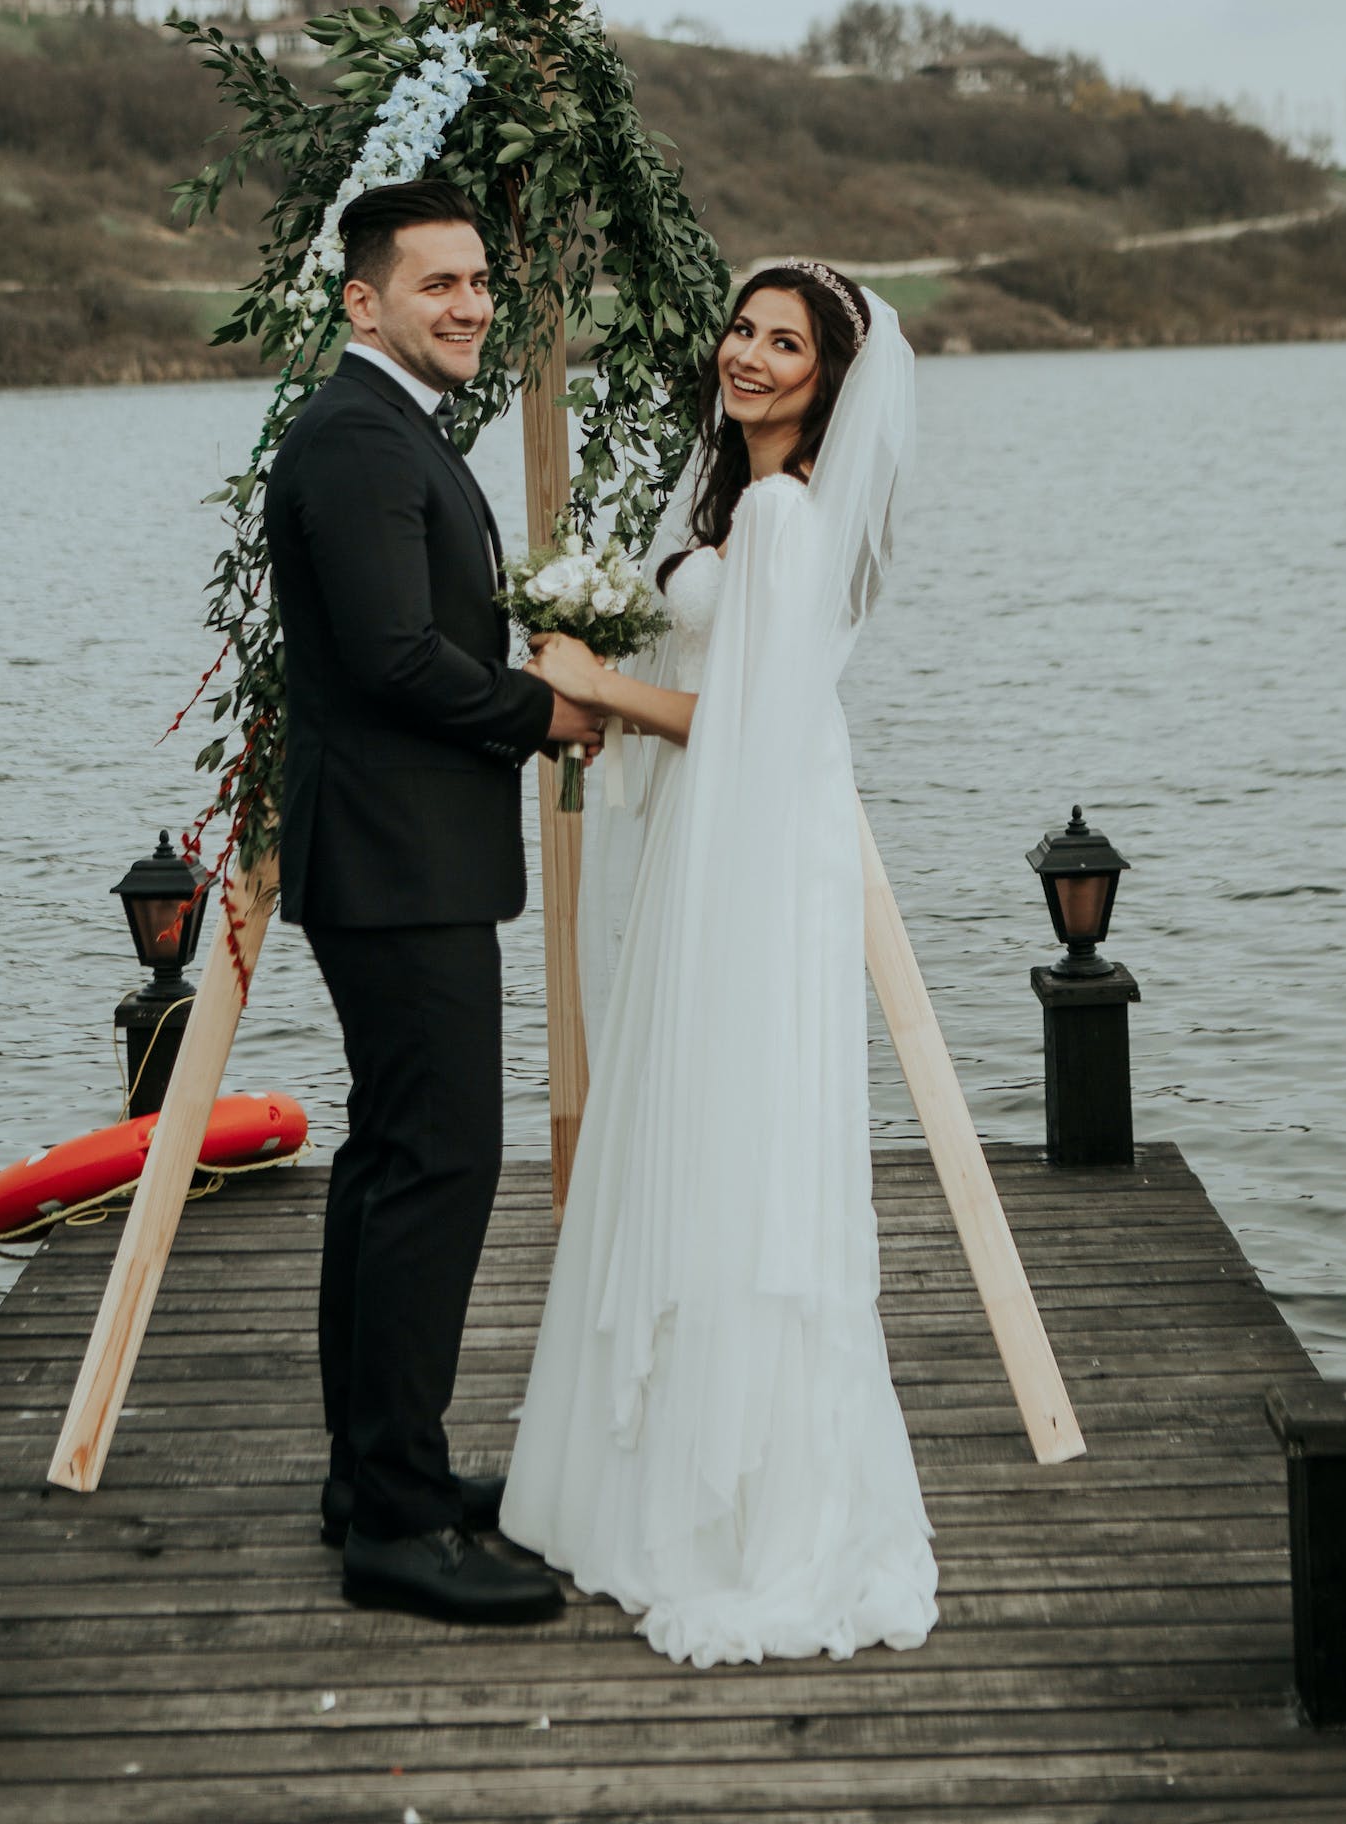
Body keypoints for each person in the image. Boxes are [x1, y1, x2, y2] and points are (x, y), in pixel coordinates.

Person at [500, 262, 940, 1665]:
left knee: (736, 1134)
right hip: (728, 841)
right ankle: (660, 1466)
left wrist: (584, 679)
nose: (748, 356)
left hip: (751, 856)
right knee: (702, 1126)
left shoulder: (786, 513)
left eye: (784, 343)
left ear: (829, 380)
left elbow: (741, 717)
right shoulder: (743, 506)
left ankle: (742, 1503)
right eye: (741, 331)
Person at [264, 176, 605, 1627]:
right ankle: (396, 1523)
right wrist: (549, 710)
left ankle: (373, 1474)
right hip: (393, 866)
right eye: (437, 285)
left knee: (390, 1160)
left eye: (478, 281)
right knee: (441, 1166)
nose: (468, 304)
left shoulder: (396, 428)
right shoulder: (355, 438)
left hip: (407, 859)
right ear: (364, 301)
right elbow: (396, 659)